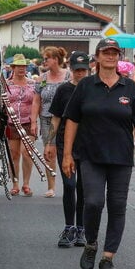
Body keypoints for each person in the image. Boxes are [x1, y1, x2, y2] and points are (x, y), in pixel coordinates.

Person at [62, 38, 135, 269]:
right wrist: (67, 154)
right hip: (90, 155)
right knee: (93, 202)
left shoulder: (129, 88)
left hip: (121, 157)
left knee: (117, 206)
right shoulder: (85, 86)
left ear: (119, 57)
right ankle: (91, 243)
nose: (110, 56)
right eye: (106, 52)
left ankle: (108, 257)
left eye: (114, 53)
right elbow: (72, 120)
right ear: (98, 57)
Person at [45, 51, 89, 248]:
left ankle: (81, 228)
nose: (80, 74)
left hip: (88, 144)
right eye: (77, 70)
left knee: (84, 188)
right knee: (70, 185)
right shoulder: (63, 90)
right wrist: (49, 142)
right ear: (70, 69)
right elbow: (55, 118)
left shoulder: (92, 88)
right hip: (65, 143)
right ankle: (69, 226)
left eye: (83, 70)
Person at [34, 46, 70, 198]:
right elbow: (36, 101)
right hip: (47, 118)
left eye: (47, 58)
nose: (44, 61)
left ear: (56, 59)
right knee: (50, 152)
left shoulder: (69, 76)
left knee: (66, 150)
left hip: (66, 119)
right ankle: (51, 187)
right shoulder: (42, 78)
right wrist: (33, 122)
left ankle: (70, 183)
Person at [5, 54, 39, 197]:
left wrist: (34, 122)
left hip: (27, 122)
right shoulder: (7, 83)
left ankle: (26, 184)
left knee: (27, 153)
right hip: (11, 122)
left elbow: (37, 103)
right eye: (18, 66)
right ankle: (15, 184)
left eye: (23, 66)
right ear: (13, 68)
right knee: (14, 154)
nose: (21, 69)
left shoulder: (32, 83)